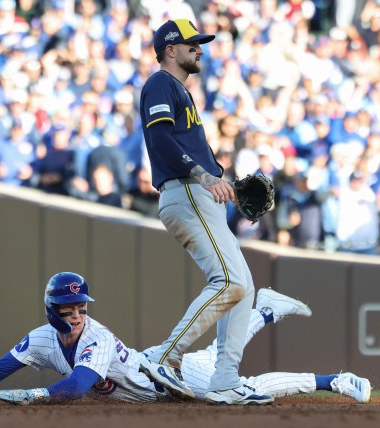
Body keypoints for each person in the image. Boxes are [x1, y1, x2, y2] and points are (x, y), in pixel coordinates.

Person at [0, 272, 372, 405]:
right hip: (152, 371)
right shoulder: (43, 339)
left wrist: (39, 396)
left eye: (81, 307)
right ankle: (266, 309)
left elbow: (79, 385)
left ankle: (333, 380)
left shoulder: (93, 337)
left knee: (239, 395)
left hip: (167, 375)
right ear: (53, 311)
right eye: (69, 309)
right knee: (218, 355)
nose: (77, 315)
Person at [137, 19, 265, 404]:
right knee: (228, 280)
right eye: (192, 44)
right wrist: (204, 178)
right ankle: (164, 355)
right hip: (186, 191)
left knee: (243, 285)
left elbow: (182, 143)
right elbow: (159, 139)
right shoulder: (161, 83)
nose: (200, 49)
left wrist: (225, 181)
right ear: (170, 49)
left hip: (199, 193)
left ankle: (225, 379)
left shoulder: (181, 91)